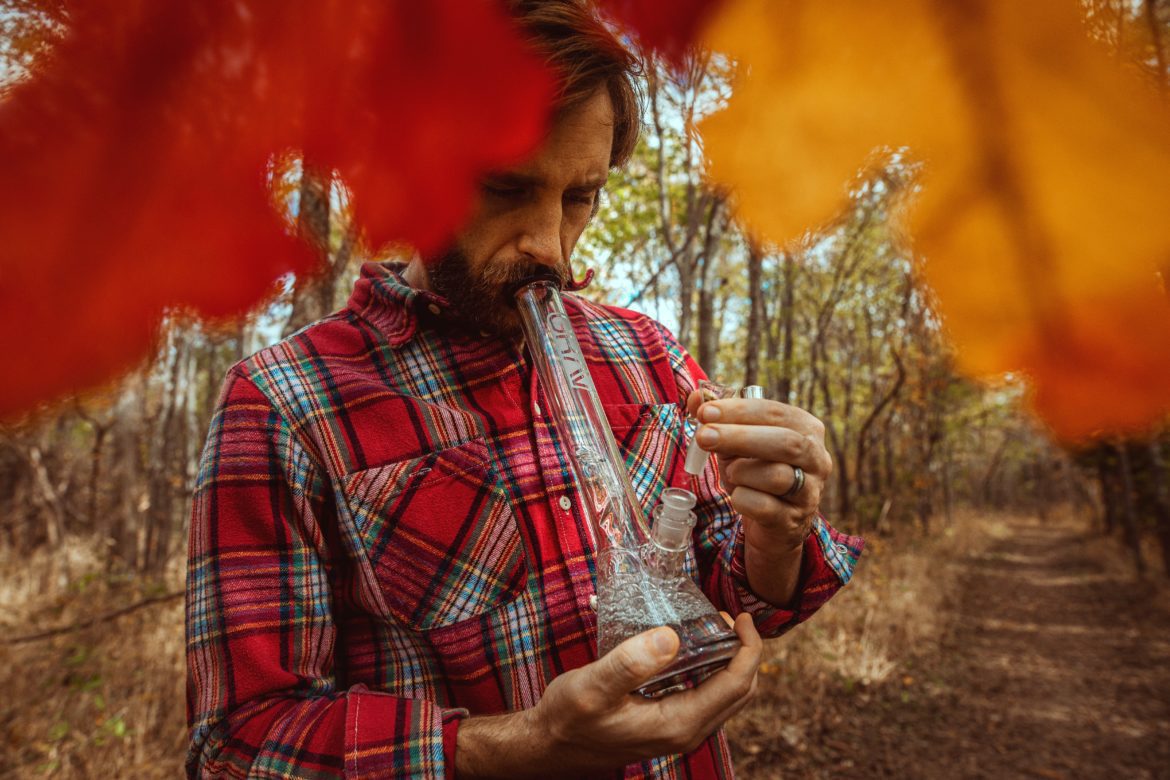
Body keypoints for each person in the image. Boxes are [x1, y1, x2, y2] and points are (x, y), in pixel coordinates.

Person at [185, 1, 863, 777]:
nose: (551, 248)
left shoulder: (647, 354)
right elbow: (239, 743)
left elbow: (728, 584)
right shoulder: (284, 405)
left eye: (581, 197)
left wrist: (777, 535)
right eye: (506, 188)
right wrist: (529, 745)